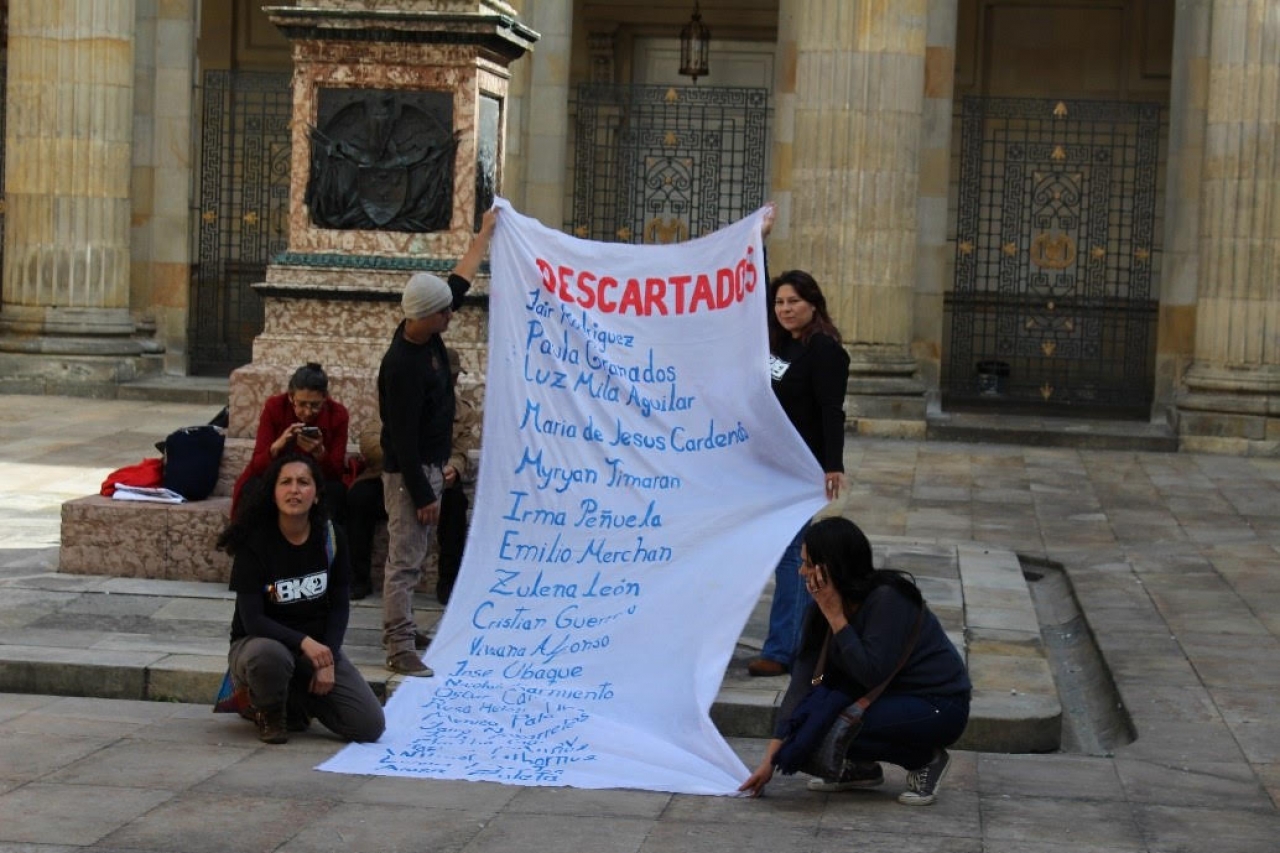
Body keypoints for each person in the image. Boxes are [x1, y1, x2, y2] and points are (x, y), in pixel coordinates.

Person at [740, 517, 970, 805]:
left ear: (833, 566)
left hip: (940, 704)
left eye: (809, 564)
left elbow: (870, 672)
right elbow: (801, 685)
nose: (802, 572)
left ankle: (927, 760)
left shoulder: (888, 598)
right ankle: (861, 768)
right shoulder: (820, 608)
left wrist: (836, 617)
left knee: (830, 726)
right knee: (810, 724)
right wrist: (768, 762)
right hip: (886, 701)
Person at [379, 208, 497, 676]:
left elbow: (460, 278)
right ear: (427, 316)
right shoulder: (403, 366)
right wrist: (425, 492)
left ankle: (403, 626)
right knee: (404, 561)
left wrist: (486, 231)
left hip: (427, 467)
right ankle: (398, 646)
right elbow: (401, 438)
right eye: (447, 310)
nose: (454, 313)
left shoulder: (425, 332)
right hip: (411, 473)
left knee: (415, 555)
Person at [217, 452, 385, 745]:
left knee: (368, 726)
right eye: (286, 482)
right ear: (273, 493)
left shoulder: (332, 538)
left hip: (316, 647)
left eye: (303, 482)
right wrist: (304, 643)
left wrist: (327, 657)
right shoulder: (254, 542)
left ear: (317, 495)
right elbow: (253, 620)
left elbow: (340, 606)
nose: (294, 489)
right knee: (269, 657)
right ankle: (266, 710)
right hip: (260, 643)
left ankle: (295, 698)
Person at [748, 270, 850, 677]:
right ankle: (812, 636)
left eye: (793, 302)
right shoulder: (781, 344)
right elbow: (748, 290)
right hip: (766, 466)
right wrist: (758, 242)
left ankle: (785, 650)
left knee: (794, 556)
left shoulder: (823, 350)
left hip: (799, 467)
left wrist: (833, 464)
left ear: (813, 303)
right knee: (775, 554)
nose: (785, 309)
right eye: (779, 303)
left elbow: (831, 409)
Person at [345, 347, 480, 606]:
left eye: (454, 379)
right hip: (392, 476)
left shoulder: (462, 412)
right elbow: (370, 440)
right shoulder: (401, 396)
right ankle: (357, 578)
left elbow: (461, 451)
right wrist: (408, 463)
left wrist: (452, 468)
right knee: (358, 498)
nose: (450, 384)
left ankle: (449, 582)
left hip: (436, 481)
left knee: (455, 503)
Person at [232, 362, 349, 523]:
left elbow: (336, 474)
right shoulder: (275, 407)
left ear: (324, 398)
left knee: (336, 493)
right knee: (253, 489)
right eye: (301, 404)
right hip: (277, 474)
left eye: (315, 405)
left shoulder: (338, 414)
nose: (308, 412)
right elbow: (257, 466)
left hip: (315, 479)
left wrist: (320, 454)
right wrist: (276, 447)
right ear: (291, 397)